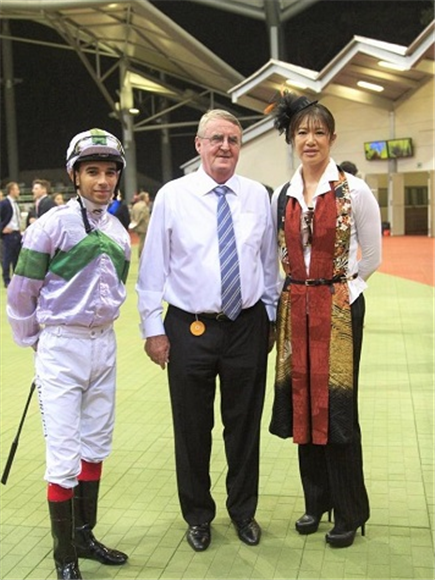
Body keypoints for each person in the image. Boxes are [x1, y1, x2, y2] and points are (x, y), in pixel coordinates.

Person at [136, 109, 280, 552]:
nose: (225, 147)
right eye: (216, 138)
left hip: (247, 325)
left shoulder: (258, 196)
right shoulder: (173, 196)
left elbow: (268, 263)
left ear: (240, 147)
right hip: (188, 326)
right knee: (193, 429)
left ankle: (243, 512)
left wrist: (271, 317)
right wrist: (153, 329)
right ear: (198, 145)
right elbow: (152, 268)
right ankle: (198, 516)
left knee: (243, 426)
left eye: (233, 140)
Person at [7, 128, 131, 580]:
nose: (102, 180)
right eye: (92, 171)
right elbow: (22, 293)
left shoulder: (117, 230)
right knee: (63, 457)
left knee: (95, 447)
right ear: (74, 175)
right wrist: (36, 342)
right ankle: (64, 558)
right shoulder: (51, 225)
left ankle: (84, 535)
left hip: (105, 344)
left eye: (110, 172)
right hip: (61, 346)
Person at [267, 92, 382, 548]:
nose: (310, 140)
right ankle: (316, 501)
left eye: (318, 132)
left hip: (337, 306)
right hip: (296, 303)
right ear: (292, 139)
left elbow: (370, 256)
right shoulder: (284, 193)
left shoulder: (355, 190)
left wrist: (341, 291)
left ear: (332, 138)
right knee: (302, 400)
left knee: (336, 405)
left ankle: (350, 509)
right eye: (302, 132)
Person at [0, 181, 23, 287]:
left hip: (17, 233)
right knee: (7, 258)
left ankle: (15, 279)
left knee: (16, 258)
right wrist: (2, 229)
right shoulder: (4, 203)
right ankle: (6, 280)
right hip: (9, 235)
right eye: (17, 189)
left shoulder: (16, 203)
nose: (18, 191)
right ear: (12, 190)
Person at [129, 191, 150, 258]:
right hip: (144, 227)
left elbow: (131, 215)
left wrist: (134, 223)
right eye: (147, 197)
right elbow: (143, 216)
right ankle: (141, 255)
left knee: (141, 240)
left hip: (137, 227)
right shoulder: (144, 206)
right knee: (143, 242)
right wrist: (138, 221)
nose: (148, 198)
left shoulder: (135, 205)